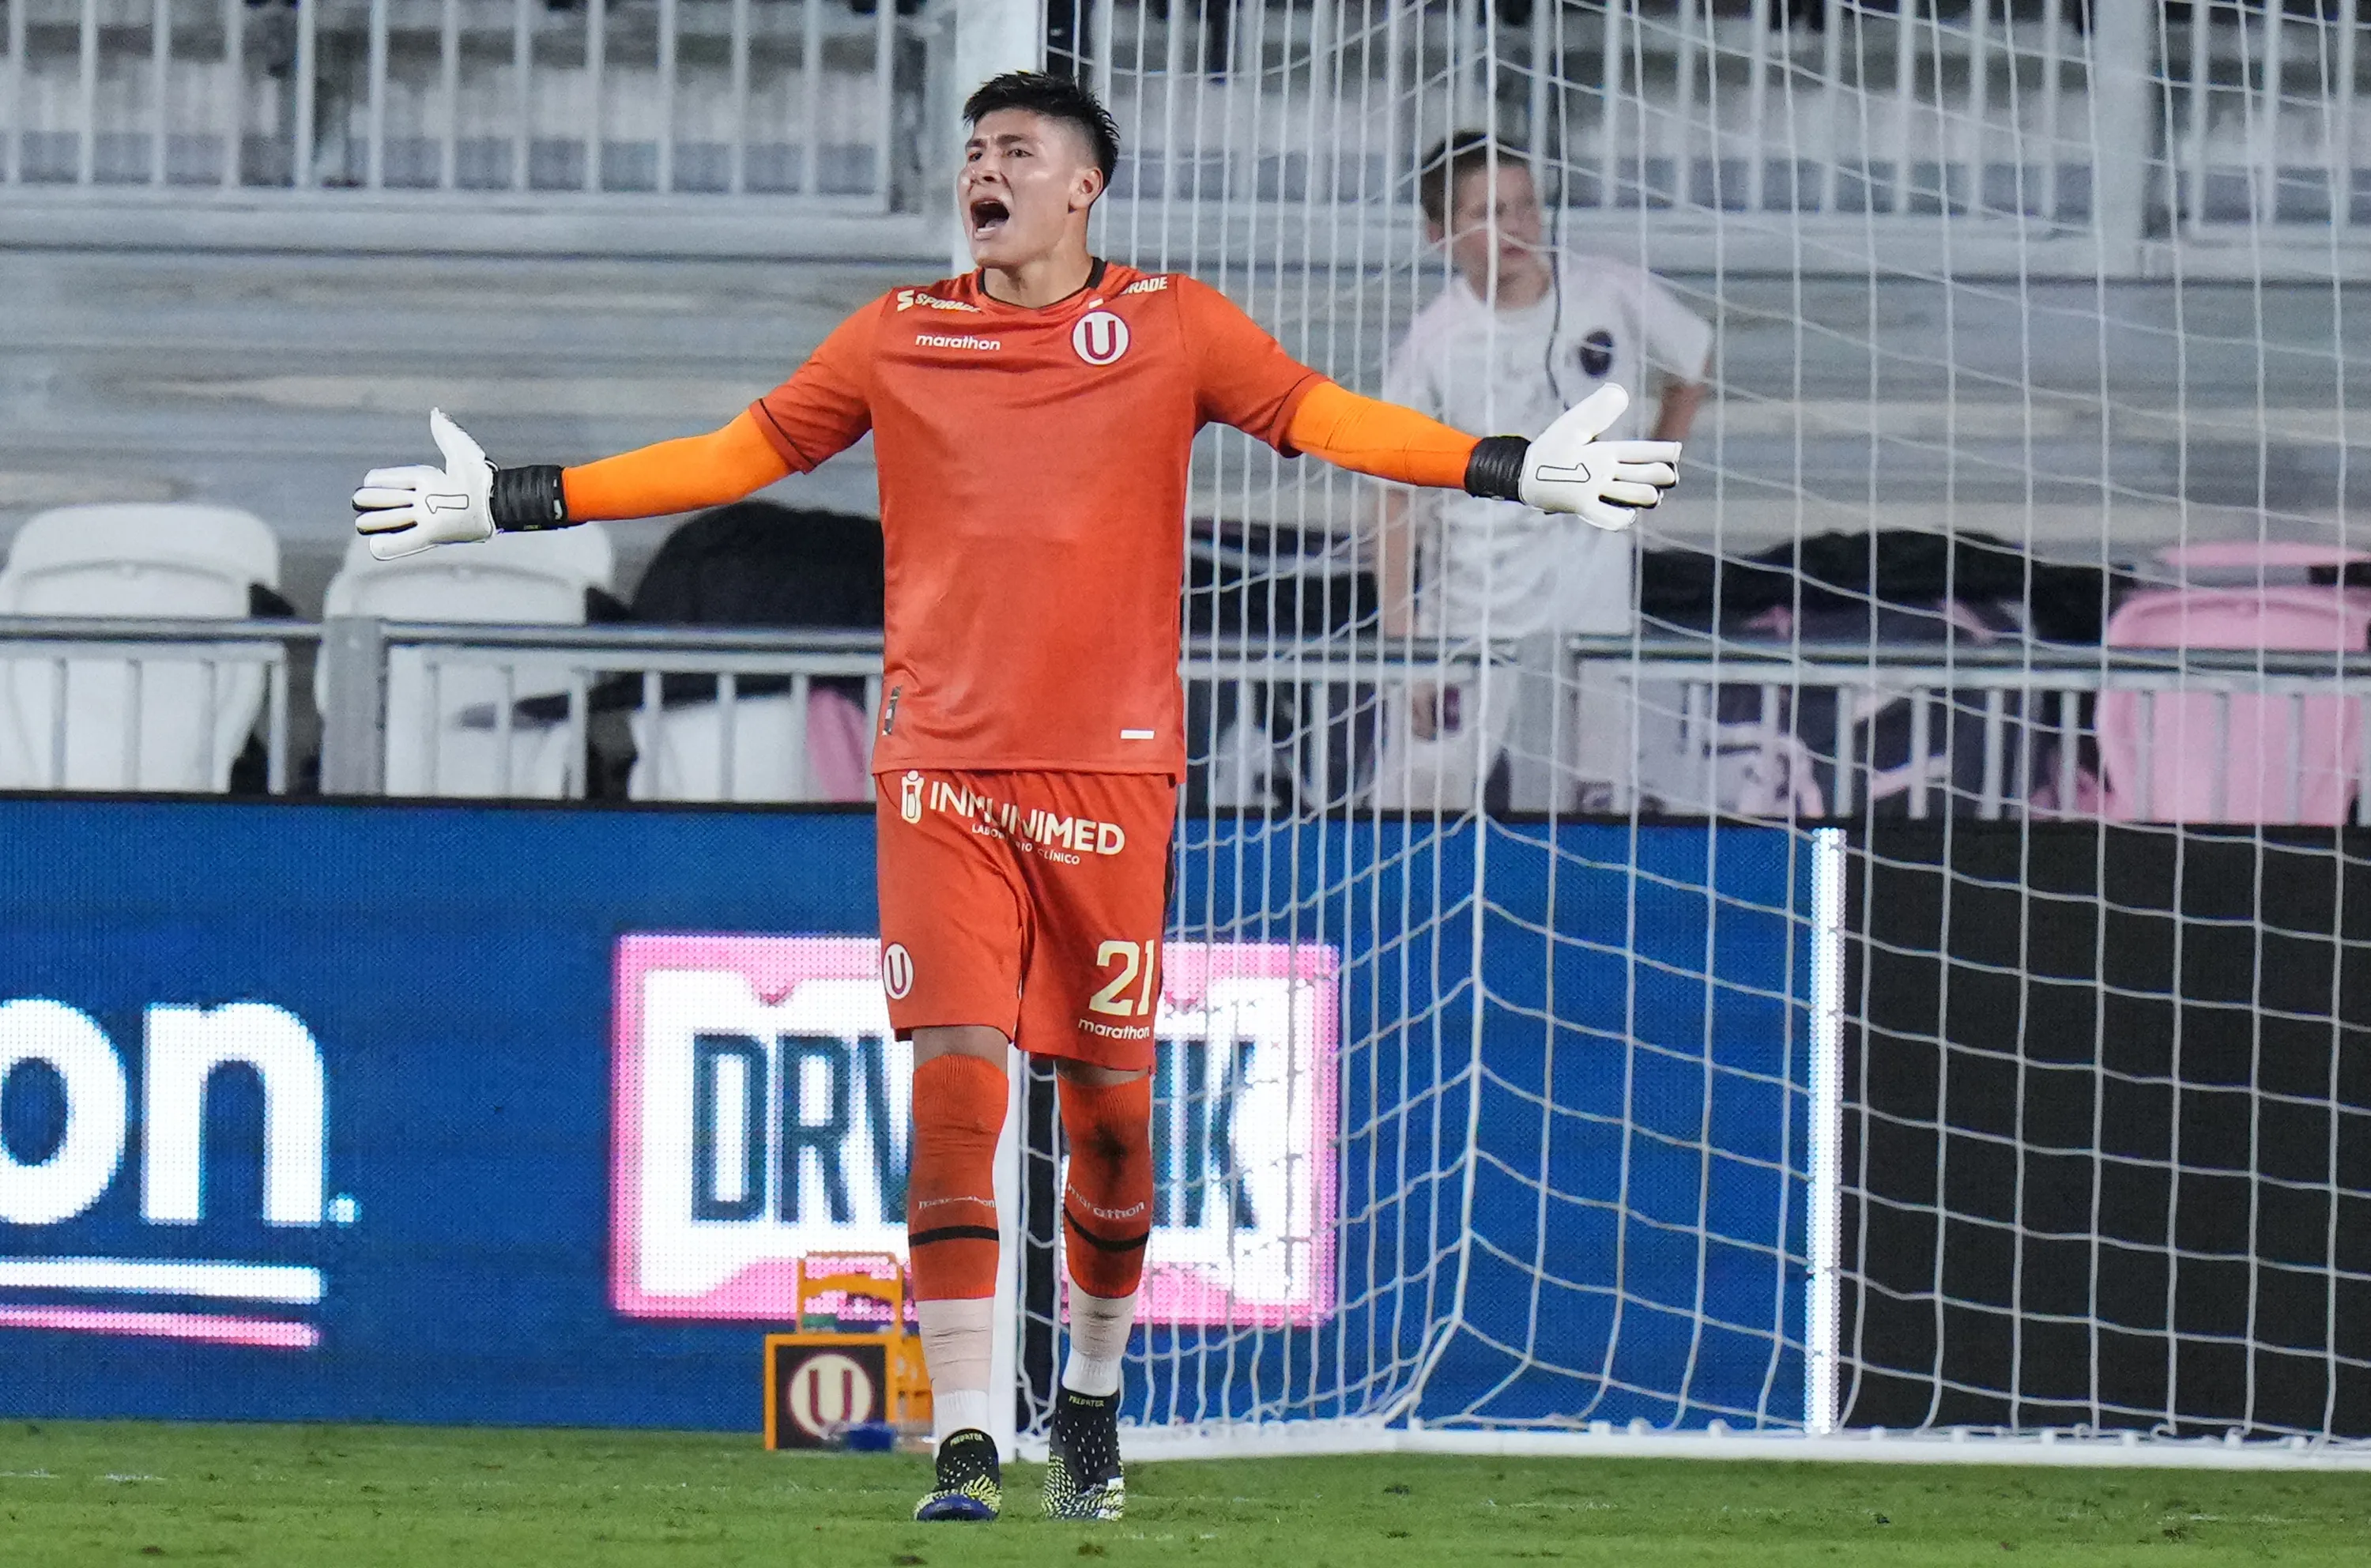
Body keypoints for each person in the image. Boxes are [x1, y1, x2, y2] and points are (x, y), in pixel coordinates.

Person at [350, 73, 1680, 1525]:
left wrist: (1508, 469)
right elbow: (734, 456)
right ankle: (969, 1439)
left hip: (1111, 773)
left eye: (1017, 150)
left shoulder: (1174, 323)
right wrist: (515, 498)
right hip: (942, 769)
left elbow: (1324, 420)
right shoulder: (896, 333)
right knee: (955, 1083)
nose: (984, 168)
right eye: (974, 149)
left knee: (1110, 1124)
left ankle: (1091, 1400)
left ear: (1082, 187)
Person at [1374, 131, 1712, 812]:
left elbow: (1692, 364)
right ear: (1440, 234)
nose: (1517, 226)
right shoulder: (1434, 344)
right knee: (1418, 807)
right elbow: (1395, 498)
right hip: (1471, 617)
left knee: (1595, 816)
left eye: (1526, 206)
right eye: (1490, 213)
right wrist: (1402, 644)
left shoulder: (1606, 293)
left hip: (1591, 616)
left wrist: (1652, 473)